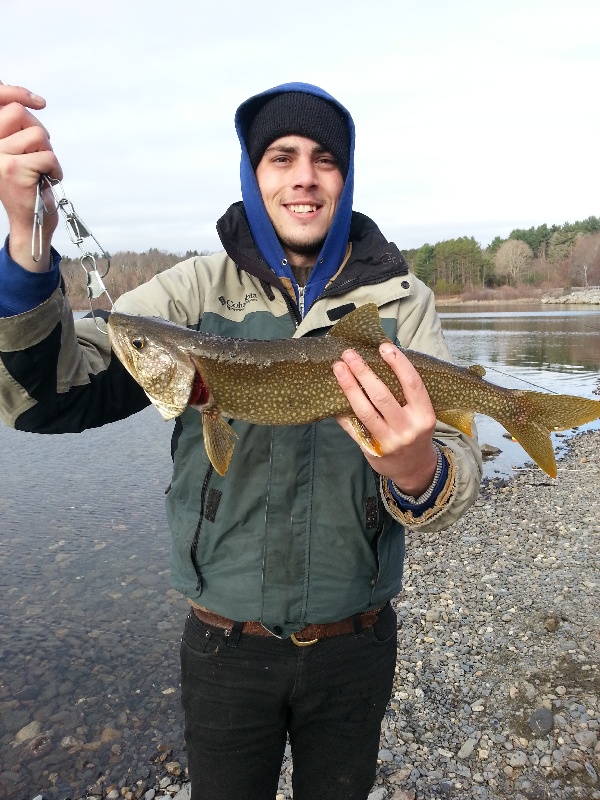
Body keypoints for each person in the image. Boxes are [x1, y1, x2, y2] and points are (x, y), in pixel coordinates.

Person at [0, 80, 482, 800]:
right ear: (253, 175)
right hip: (224, 644)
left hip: (357, 642)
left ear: (345, 178)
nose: (304, 176)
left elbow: (456, 477)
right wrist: (26, 250)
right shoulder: (190, 293)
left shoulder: (402, 301)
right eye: (281, 156)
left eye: (325, 158)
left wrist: (419, 472)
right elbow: (50, 396)